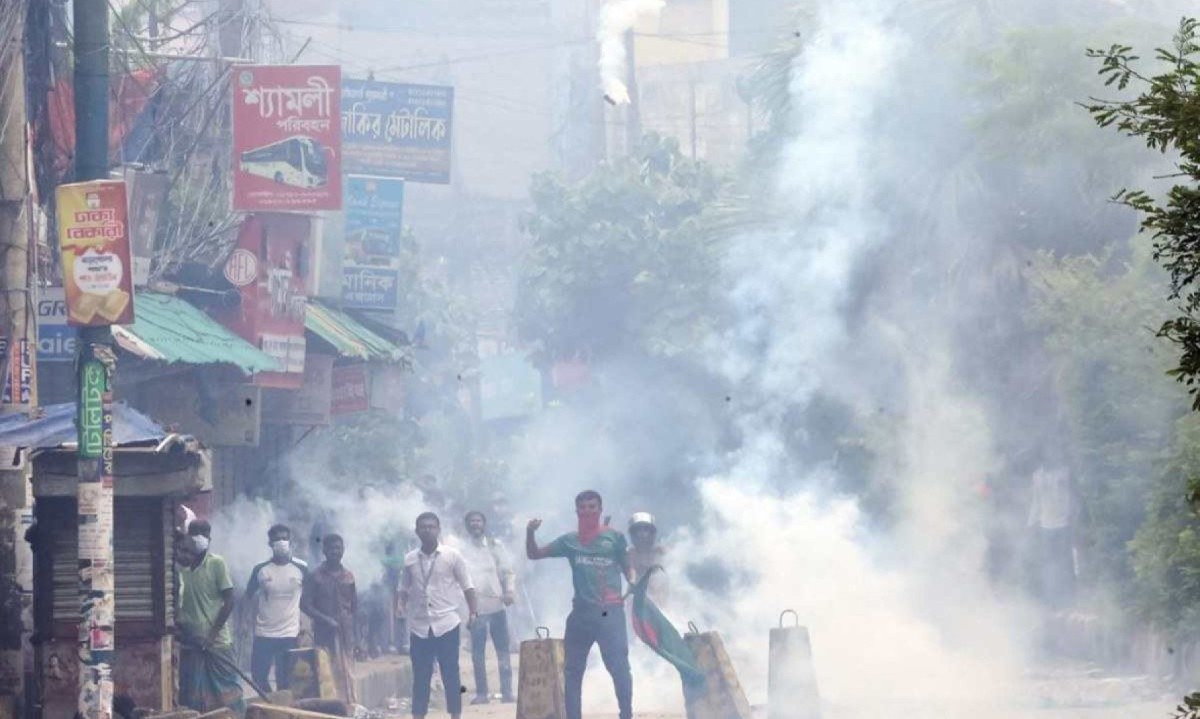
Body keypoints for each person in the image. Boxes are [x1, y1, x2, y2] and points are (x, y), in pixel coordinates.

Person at [527, 491, 633, 719]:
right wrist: (530, 532)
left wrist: (633, 583)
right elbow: (534, 554)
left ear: (600, 509)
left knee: (619, 667)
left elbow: (627, 566)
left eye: (591, 507)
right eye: (582, 507)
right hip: (581, 615)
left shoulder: (614, 537)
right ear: (577, 511)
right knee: (572, 672)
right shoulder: (569, 541)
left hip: (609, 613)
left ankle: (627, 714)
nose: (587, 511)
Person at [400, 512, 478, 719]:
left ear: (438, 529)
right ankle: (419, 716)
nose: (427, 530)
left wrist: (473, 612)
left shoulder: (452, 556)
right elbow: (403, 588)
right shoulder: (409, 559)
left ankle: (455, 715)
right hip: (420, 626)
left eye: (431, 526)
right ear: (417, 531)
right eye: (423, 527)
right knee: (421, 676)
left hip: (447, 623)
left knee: (450, 673)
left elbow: (468, 586)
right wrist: (400, 605)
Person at [177, 520, 244, 713]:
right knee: (195, 696)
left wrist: (212, 636)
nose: (199, 536)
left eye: (204, 533)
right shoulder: (181, 569)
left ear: (209, 538)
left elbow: (229, 600)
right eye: (195, 532)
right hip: (192, 643)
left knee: (228, 693)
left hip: (217, 643)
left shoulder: (216, 563)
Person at [459, 510, 516, 704]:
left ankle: (507, 692)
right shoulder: (460, 549)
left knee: (502, 650)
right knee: (477, 653)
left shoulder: (495, 546)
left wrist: (509, 591)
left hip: (497, 605)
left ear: (484, 524)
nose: (475, 524)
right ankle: (482, 694)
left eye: (478, 520)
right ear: (467, 525)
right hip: (475, 608)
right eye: (472, 521)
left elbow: (508, 571)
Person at [245, 523, 308, 692]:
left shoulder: (302, 568)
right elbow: (248, 596)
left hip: (290, 633)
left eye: (284, 538)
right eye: (277, 539)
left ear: (290, 542)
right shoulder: (260, 570)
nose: (281, 542)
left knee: (285, 680)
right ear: (270, 543)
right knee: (258, 678)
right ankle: (269, 706)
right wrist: (248, 622)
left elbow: (308, 600)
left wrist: (306, 627)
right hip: (264, 632)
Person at [301, 534, 358, 704]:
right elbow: (304, 605)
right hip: (324, 634)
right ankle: (331, 710)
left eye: (338, 548)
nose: (335, 551)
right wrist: (326, 620)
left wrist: (359, 638)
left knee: (348, 674)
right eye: (332, 548)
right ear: (324, 550)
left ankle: (349, 708)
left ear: (343, 550)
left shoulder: (349, 576)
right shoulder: (315, 576)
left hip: (346, 635)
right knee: (327, 674)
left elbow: (355, 608)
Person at [627, 512, 668, 607]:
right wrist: (632, 581)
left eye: (645, 529)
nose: (642, 534)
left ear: (651, 532)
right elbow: (631, 569)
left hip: (660, 597)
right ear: (633, 533)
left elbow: (672, 571)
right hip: (637, 598)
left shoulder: (661, 552)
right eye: (638, 530)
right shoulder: (630, 553)